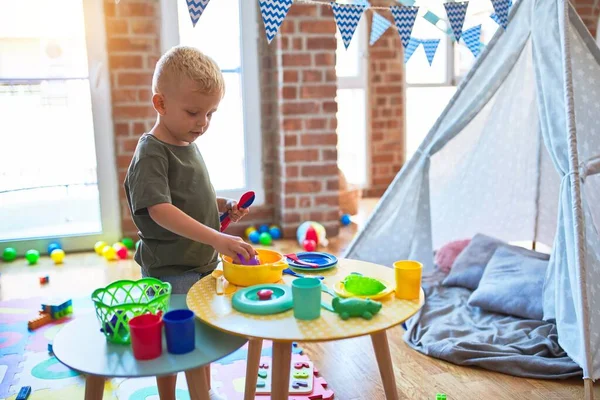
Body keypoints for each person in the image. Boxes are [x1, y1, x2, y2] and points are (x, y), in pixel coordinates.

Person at [124, 45, 257, 295]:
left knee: (204, 329)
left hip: (202, 263)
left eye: (210, 113)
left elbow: (188, 197)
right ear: (161, 104)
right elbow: (160, 210)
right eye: (193, 112)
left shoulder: (186, 142)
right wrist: (217, 239)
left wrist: (223, 204)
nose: (203, 122)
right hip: (172, 272)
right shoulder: (152, 152)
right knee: (182, 332)